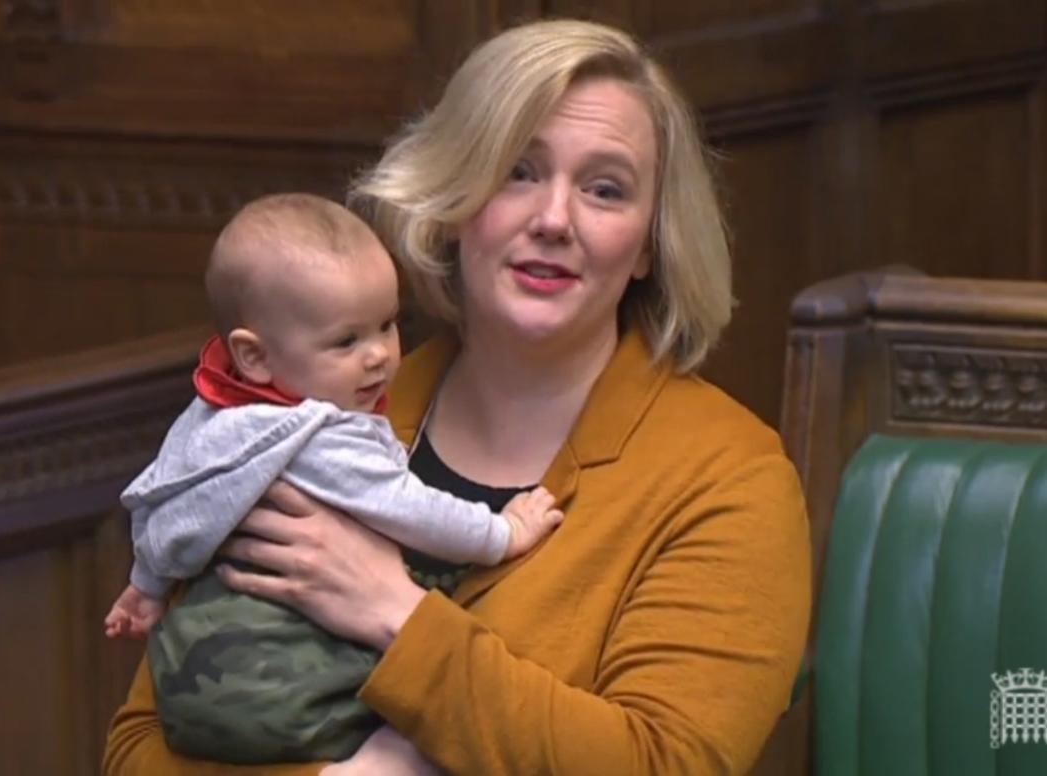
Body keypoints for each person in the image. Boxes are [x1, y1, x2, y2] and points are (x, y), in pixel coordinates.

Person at [104, 17, 811, 776]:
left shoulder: (729, 480)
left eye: (605, 190)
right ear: (454, 199)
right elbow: (140, 746)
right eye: (518, 171)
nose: (553, 219)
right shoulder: (305, 417)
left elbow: (664, 766)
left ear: (647, 244)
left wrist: (396, 615)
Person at [103, 192, 564, 764]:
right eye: (346, 341)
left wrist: (145, 586)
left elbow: (172, 497)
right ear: (255, 357)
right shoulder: (323, 436)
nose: (378, 357)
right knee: (414, 706)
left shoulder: (214, 419)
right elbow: (412, 509)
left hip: (191, 679)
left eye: (387, 325)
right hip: (285, 678)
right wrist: (502, 533)